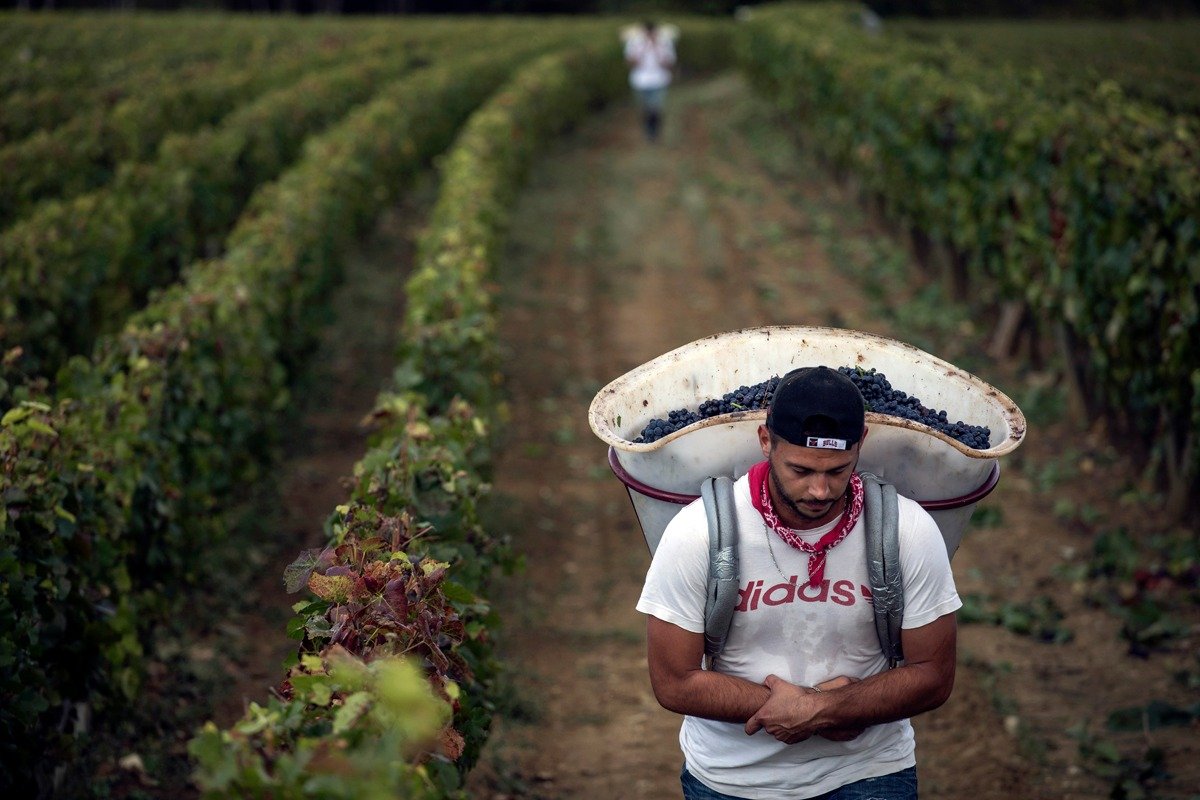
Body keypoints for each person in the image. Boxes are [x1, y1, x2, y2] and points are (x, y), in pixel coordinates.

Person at [636, 365, 962, 799]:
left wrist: (822, 710)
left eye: (837, 470)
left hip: (868, 772)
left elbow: (934, 675)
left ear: (861, 444)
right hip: (733, 780)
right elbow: (673, 681)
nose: (820, 490)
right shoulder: (701, 533)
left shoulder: (906, 531)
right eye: (802, 470)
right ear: (766, 441)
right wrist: (801, 709)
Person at [623, 20, 676, 141]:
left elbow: (669, 63)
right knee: (644, 108)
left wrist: (657, 48)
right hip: (640, 81)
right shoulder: (634, 43)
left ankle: (654, 132)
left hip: (659, 80)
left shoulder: (665, 43)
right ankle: (648, 130)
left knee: (656, 107)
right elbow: (630, 62)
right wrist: (643, 49)